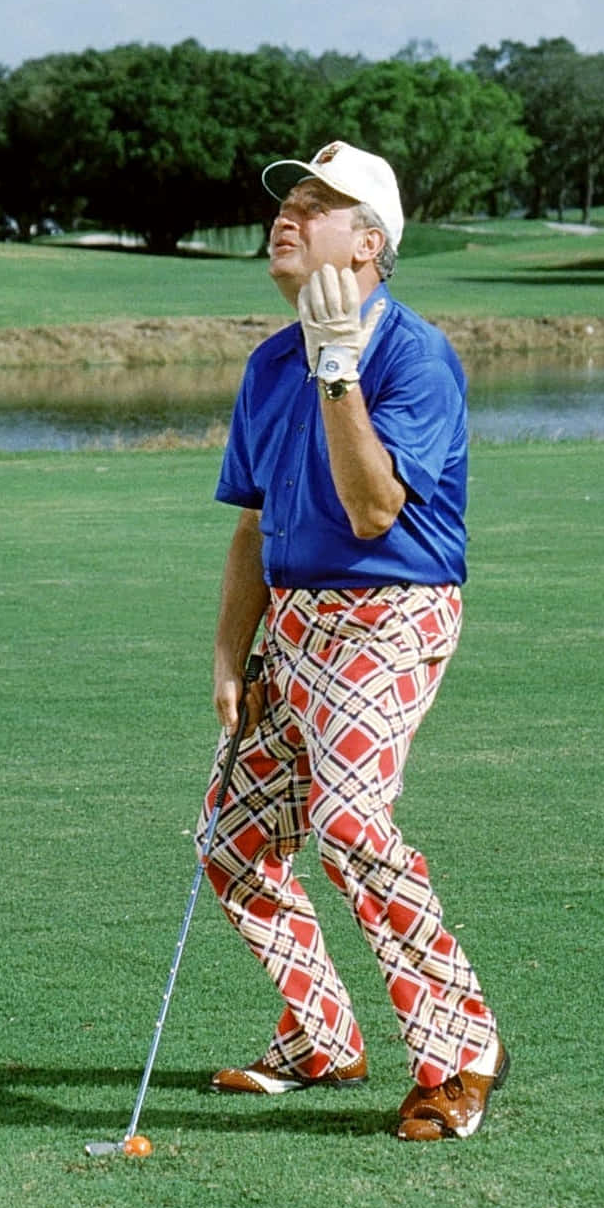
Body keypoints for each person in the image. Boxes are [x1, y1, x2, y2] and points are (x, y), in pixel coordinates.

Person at [201, 141, 506, 1142]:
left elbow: (375, 509)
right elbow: (252, 525)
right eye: (287, 201)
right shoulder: (268, 359)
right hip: (289, 622)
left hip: (389, 613)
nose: (288, 215)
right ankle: (323, 1034)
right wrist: (226, 658)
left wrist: (339, 365)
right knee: (236, 845)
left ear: (368, 242)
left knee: (348, 825)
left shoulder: (412, 354)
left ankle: (460, 1052)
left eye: (317, 204)